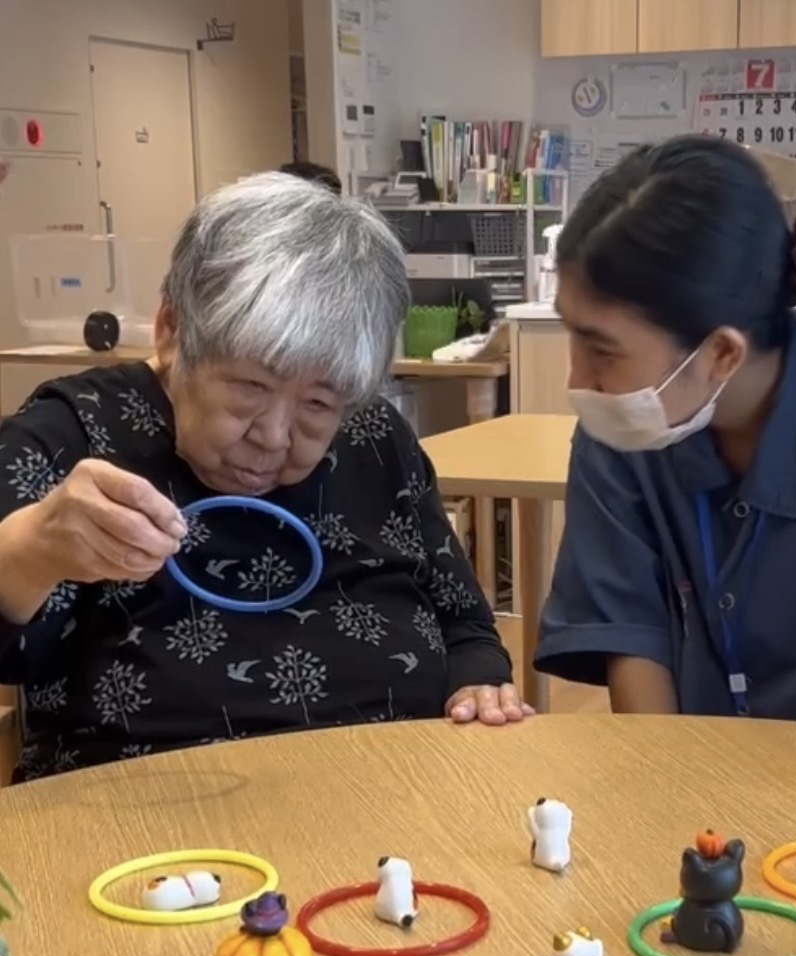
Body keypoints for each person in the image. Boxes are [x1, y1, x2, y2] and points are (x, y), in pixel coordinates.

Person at [0, 172, 530, 782]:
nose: (275, 436)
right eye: (251, 387)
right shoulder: (71, 433)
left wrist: (478, 684)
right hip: (147, 818)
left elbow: (464, 622)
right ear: (172, 332)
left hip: (390, 794)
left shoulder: (374, 436)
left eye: (318, 404)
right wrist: (35, 549)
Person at [534, 133, 796, 724]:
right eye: (572, 336)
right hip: (701, 766)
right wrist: (672, 777)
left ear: (720, 354)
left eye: (602, 351)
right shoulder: (624, 426)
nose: (578, 380)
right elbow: (629, 634)